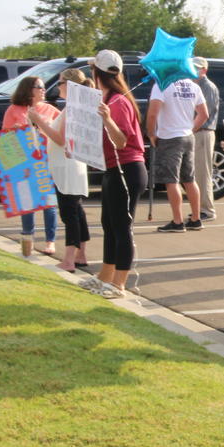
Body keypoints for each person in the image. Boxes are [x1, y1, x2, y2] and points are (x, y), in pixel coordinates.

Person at [77, 50, 147, 299]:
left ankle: (119, 284)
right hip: (112, 169)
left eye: (92, 69)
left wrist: (107, 119)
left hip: (127, 169)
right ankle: (105, 276)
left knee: (121, 227)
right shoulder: (106, 99)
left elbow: (121, 140)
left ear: (97, 72)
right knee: (109, 224)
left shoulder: (118, 102)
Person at [28, 68, 92, 272]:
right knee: (76, 211)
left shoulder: (73, 108)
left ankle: (70, 259)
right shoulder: (74, 107)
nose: (58, 87)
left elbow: (61, 139)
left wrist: (40, 122)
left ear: (70, 86)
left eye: (61, 83)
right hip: (68, 165)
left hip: (67, 166)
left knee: (69, 213)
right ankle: (80, 254)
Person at [3, 76, 60, 256]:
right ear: (28, 89)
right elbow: (5, 138)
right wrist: (17, 130)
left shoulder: (49, 109)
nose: (43, 90)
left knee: (49, 203)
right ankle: (28, 237)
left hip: (46, 161)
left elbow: (62, 130)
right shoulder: (14, 110)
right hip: (25, 162)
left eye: (43, 87)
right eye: (39, 87)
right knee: (27, 202)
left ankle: (50, 241)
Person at [146, 76, 208, 232]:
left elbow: (153, 113)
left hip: (170, 137)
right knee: (189, 179)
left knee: (171, 180)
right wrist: (190, 128)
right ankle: (195, 218)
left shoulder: (162, 84)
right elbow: (204, 114)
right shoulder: (193, 85)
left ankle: (178, 221)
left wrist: (151, 134)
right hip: (187, 136)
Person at [192, 57, 220, 221]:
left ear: (204, 70)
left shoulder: (207, 87)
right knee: (197, 173)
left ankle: (207, 210)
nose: (194, 70)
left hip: (203, 131)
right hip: (197, 132)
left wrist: (190, 130)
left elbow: (204, 113)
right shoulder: (195, 85)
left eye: (197, 68)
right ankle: (201, 208)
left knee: (203, 173)